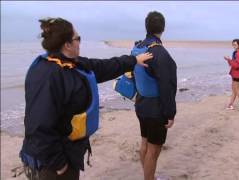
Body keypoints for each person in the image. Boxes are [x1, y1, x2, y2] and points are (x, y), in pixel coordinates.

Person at [19, 17, 153, 180]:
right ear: (67, 44)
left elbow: (104, 66)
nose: (79, 43)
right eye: (78, 39)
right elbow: (39, 125)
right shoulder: (47, 74)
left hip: (66, 153)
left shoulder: (72, 63)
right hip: (50, 164)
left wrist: (133, 60)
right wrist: (59, 164)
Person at [133, 11, 177, 180]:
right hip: (155, 108)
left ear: (147, 27)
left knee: (144, 142)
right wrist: (170, 113)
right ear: (163, 28)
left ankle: (148, 176)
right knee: (154, 149)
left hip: (141, 103)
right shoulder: (160, 53)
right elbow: (167, 87)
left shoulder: (138, 47)